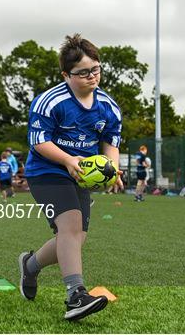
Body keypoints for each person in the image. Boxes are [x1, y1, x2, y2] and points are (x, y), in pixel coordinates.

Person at [19, 34, 122, 321]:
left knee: (76, 238)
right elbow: (38, 142)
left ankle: (30, 265)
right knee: (71, 225)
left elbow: (111, 144)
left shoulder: (109, 107)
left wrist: (112, 170)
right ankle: (75, 295)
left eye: (96, 69)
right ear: (66, 74)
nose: (92, 77)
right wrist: (67, 159)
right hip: (47, 170)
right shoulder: (50, 102)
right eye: (83, 72)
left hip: (80, 175)